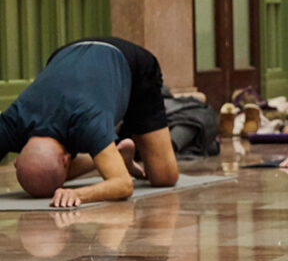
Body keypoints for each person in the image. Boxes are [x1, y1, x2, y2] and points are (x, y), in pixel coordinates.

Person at [0, 37, 179, 208]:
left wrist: (79, 194)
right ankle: (115, 158)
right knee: (44, 174)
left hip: (130, 63)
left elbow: (124, 185)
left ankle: (112, 158)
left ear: (66, 160)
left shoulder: (88, 120)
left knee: (164, 177)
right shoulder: (11, 123)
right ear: (17, 160)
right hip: (67, 56)